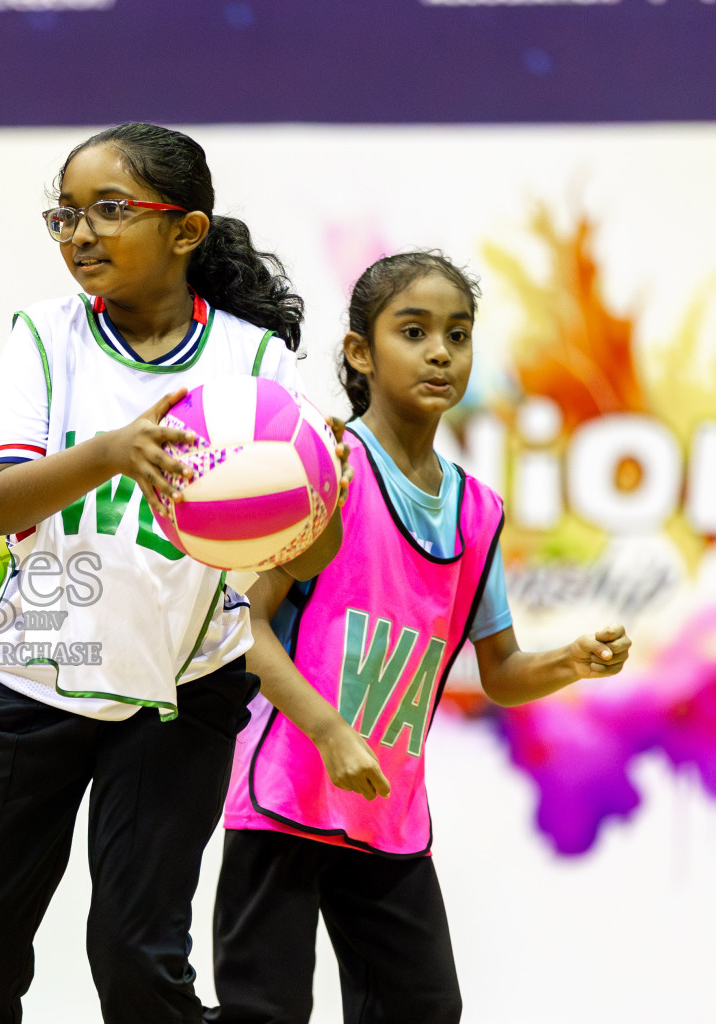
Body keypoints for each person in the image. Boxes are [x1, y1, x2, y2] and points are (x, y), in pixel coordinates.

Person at [0, 122, 347, 1024]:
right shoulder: (47, 336)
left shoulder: (255, 362)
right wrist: (115, 452)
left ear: (185, 230)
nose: (80, 233)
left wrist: (320, 497)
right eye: (65, 215)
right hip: (31, 682)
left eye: (108, 211)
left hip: (181, 696)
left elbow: (309, 556)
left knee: (135, 958)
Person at [208, 252, 632, 1024]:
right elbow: (244, 624)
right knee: (260, 1015)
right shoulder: (326, 467)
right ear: (360, 353)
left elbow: (500, 673)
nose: (441, 351)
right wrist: (330, 731)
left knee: (426, 1010)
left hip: (386, 817)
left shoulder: (478, 512)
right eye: (414, 331)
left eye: (458, 334)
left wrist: (567, 663)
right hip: (283, 800)